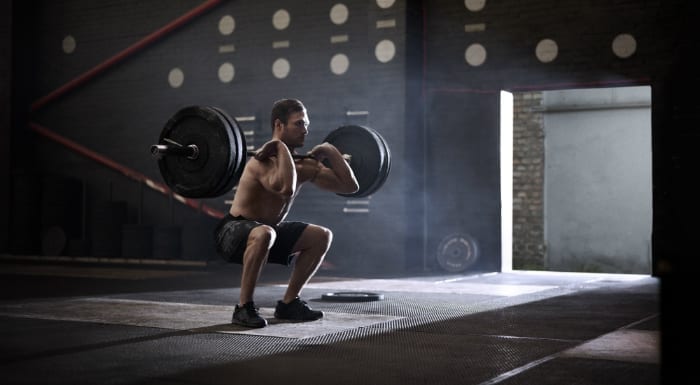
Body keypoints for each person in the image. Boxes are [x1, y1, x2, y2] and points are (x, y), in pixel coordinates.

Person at [214, 98, 359, 328]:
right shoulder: (260, 162)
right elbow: (285, 187)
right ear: (279, 125)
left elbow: (350, 187)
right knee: (265, 233)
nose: (306, 130)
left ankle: (289, 303)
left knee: (321, 236)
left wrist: (331, 151)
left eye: (306, 124)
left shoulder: (304, 166)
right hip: (233, 232)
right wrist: (280, 147)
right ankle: (243, 307)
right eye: (299, 124)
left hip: (268, 232)